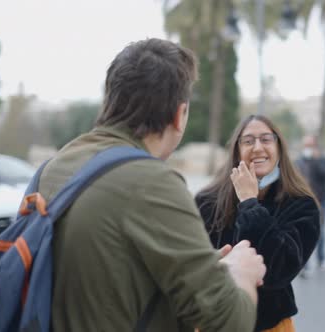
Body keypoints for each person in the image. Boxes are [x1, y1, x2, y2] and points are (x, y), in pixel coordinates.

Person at [37, 39, 266, 331]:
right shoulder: (152, 182)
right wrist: (241, 273)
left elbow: (101, 268)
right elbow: (229, 321)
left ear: (110, 100)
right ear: (179, 115)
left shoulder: (56, 166)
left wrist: (203, 265)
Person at [195, 115, 320, 332]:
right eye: (248, 141)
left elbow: (279, 270)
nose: (258, 148)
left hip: (270, 325)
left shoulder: (301, 205)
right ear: (236, 150)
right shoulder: (207, 202)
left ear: (279, 148)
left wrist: (249, 204)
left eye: (266, 139)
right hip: (212, 322)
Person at [295, 135, 325, 272]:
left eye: (310, 145)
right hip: (304, 201)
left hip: (321, 200)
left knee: (320, 232)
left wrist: (317, 160)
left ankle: (321, 260)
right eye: (306, 145)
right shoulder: (298, 162)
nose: (308, 148)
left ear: (315, 146)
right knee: (303, 232)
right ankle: (304, 265)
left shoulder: (322, 160)